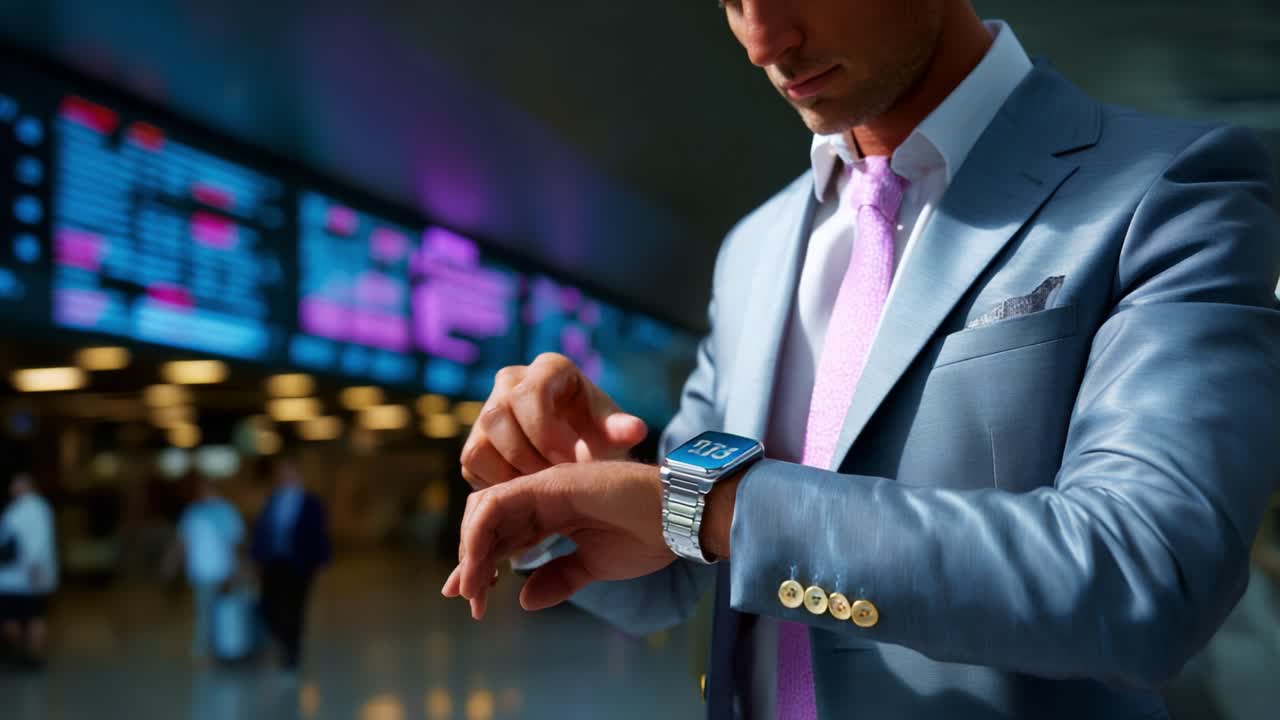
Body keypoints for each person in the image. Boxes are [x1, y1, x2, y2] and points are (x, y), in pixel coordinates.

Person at [442, 1, 1280, 718]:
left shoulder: (1169, 192)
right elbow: (675, 566)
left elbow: (1149, 576)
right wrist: (574, 487)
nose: (762, 40)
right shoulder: (756, 250)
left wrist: (722, 511)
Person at [251, 454, 331, 672]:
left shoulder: (311, 502)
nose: (286, 477)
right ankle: (281, 636)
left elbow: (319, 533)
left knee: (295, 608)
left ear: (297, 475)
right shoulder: (273, 499)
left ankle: (292, 651)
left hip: (300, 563)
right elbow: (262, 530)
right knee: (270, 605)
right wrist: (256, 557)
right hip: (275, 561)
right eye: (282, 473)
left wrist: (323, 559)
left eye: (290, 472)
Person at [167, 472, 245, 666]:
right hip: (201, 571)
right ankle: (203, 650)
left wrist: (237, 567)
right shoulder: (193, 512)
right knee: (205, 611)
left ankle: (219, 647)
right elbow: (183, 542)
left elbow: (235, 542)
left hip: (222, 570)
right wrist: (172, 562)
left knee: (219, 611)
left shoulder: (225, 511)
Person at [0, 471, 57, 669]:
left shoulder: (30, 509)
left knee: (27, 617)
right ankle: (27, 655)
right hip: (20, 575)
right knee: (27, 616)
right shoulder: (32, 508)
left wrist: (33, 567)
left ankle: (28, 655)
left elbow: (35, 544)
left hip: (25, 574)